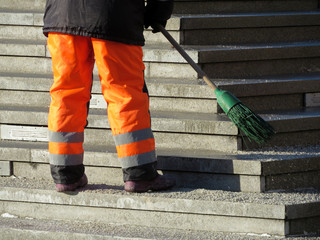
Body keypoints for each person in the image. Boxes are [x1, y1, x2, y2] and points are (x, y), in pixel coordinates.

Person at [43, 0, 176, 193]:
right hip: (114, 15)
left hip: (62, 15)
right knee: (124, 94)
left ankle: (65, 173)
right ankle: (139, 174)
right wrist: (157, 13)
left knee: (66, 94)